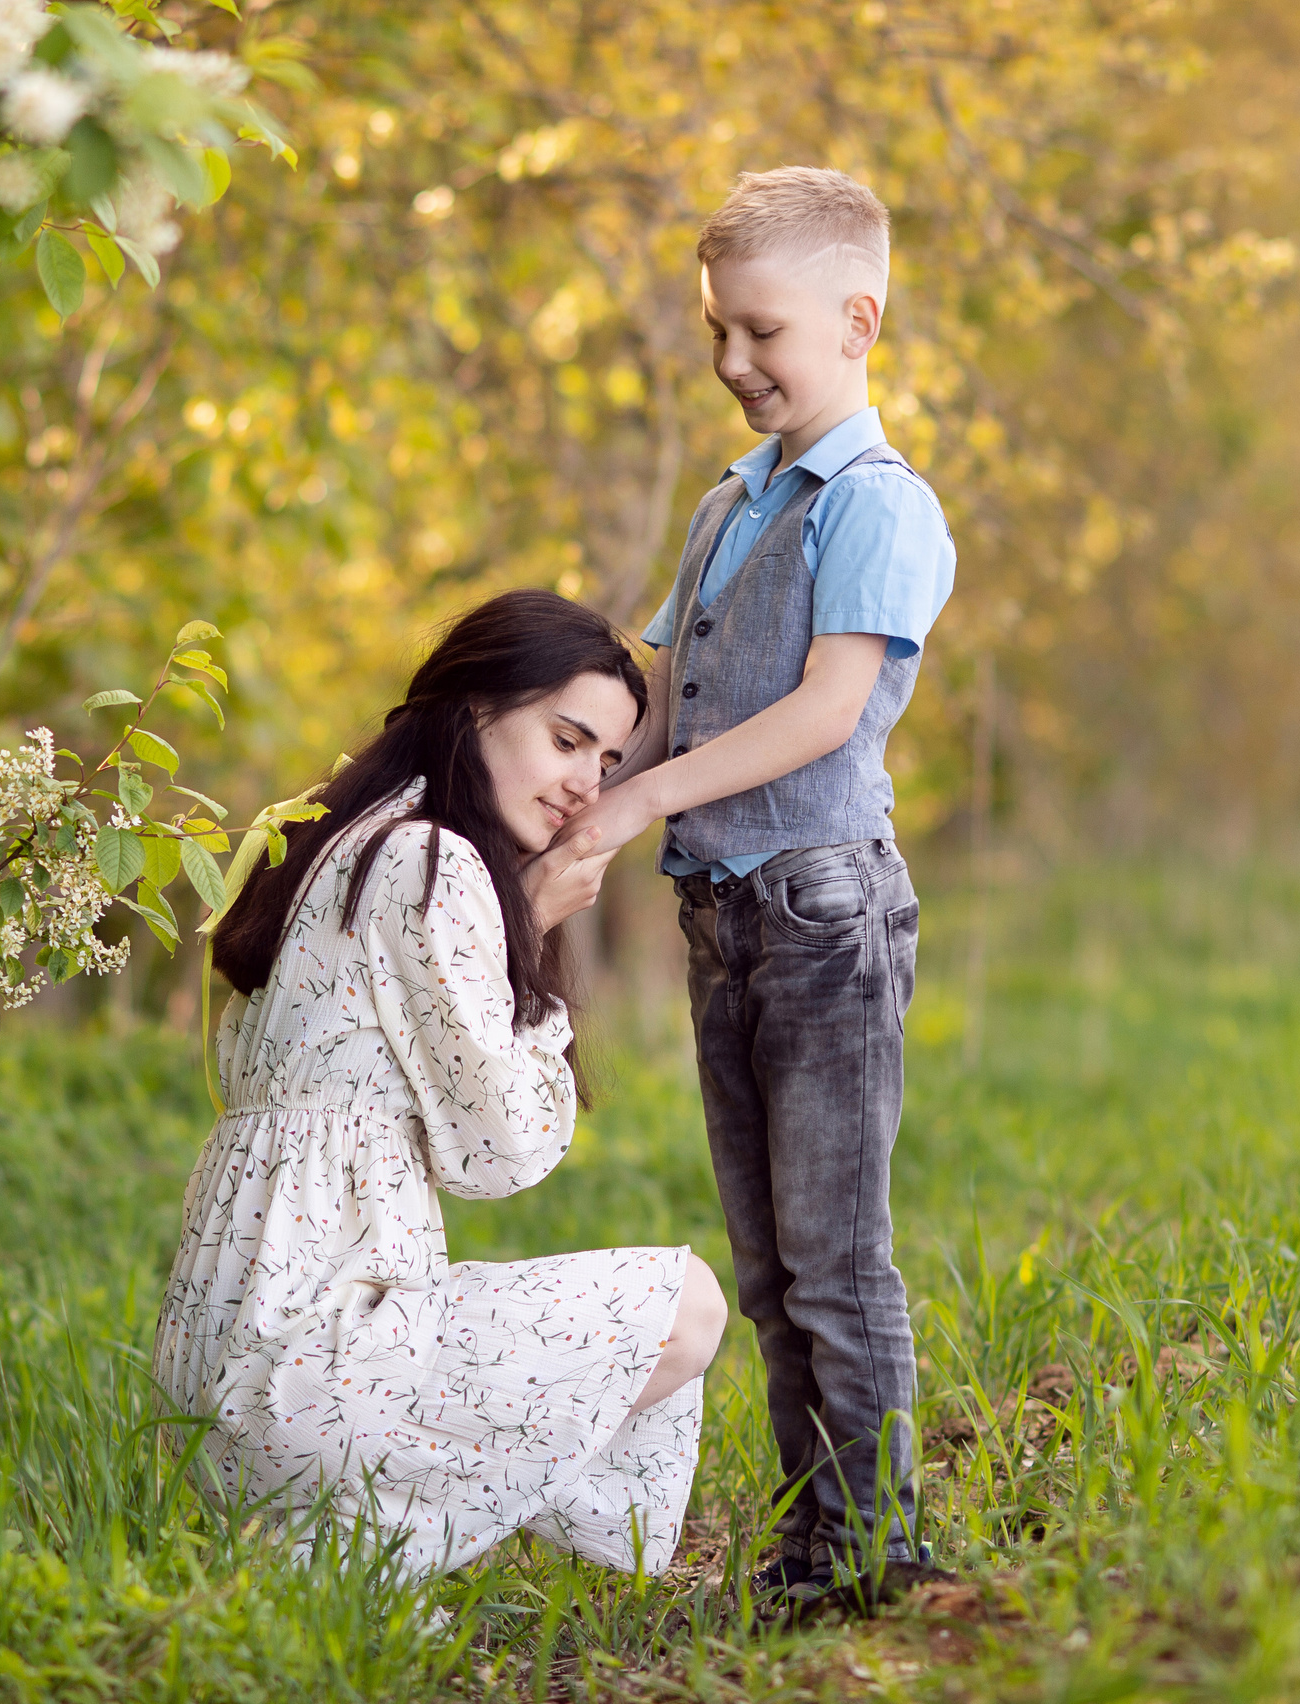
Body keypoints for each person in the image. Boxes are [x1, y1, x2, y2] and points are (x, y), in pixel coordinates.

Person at [558, 167, 958, 1611]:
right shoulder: (728, 503)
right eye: (718, 333)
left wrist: (654, 794)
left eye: (763, 334)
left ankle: (875, 1547)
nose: (734, 363)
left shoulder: (876, 505)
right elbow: (675, 701)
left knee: (838, 1263)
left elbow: (825, 711)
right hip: (723, 920)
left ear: (858, 322)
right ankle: (814, 1544)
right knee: (770, 1266)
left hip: (828, 918)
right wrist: (583, 812)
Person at [154, 589, 730, 1578]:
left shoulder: (343, 837)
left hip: (215, 1382)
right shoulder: (434, 865)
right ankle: (359, 1545)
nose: (585, 786)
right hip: (301, 1383)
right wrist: (533, 930)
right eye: (565, 740)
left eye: (604, 763)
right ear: (473, 710)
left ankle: (339, 1545)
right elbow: (501, 1155)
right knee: (687, 1305)